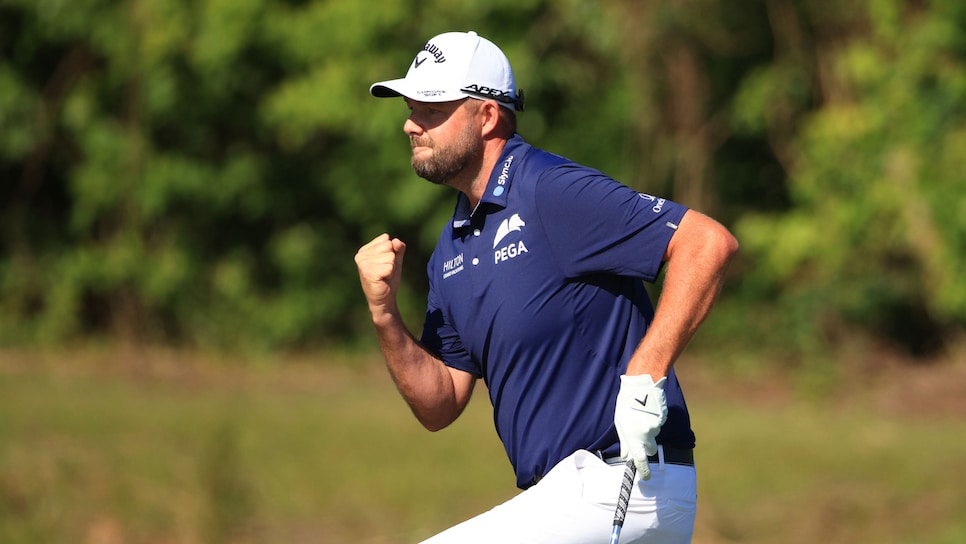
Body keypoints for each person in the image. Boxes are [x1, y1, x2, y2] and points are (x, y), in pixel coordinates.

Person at [355, 30, 738, 544]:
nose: (410, 123)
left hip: (624, 482)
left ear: (486, 115)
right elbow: (440, 401)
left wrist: (647, 370)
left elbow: (706, 243)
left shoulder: (549, 189)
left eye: (431, 109)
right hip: (563, 499)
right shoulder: (451, 247)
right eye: (411, 107)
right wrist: (384, 314)